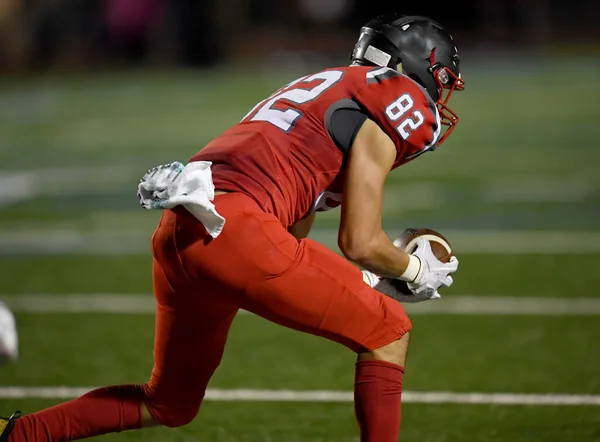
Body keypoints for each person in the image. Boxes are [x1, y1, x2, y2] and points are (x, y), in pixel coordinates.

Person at [1, 14, 463, 442]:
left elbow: (291, 238)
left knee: (170, 402)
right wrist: (414, 269)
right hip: (237, 231)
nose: (437, 101)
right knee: (388, 331)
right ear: (419, 72)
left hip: (182, 229)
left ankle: (13, 434)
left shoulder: (323, 87)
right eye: (440, 83)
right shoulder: (392, 98)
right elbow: (359, 241)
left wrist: (367, 279)